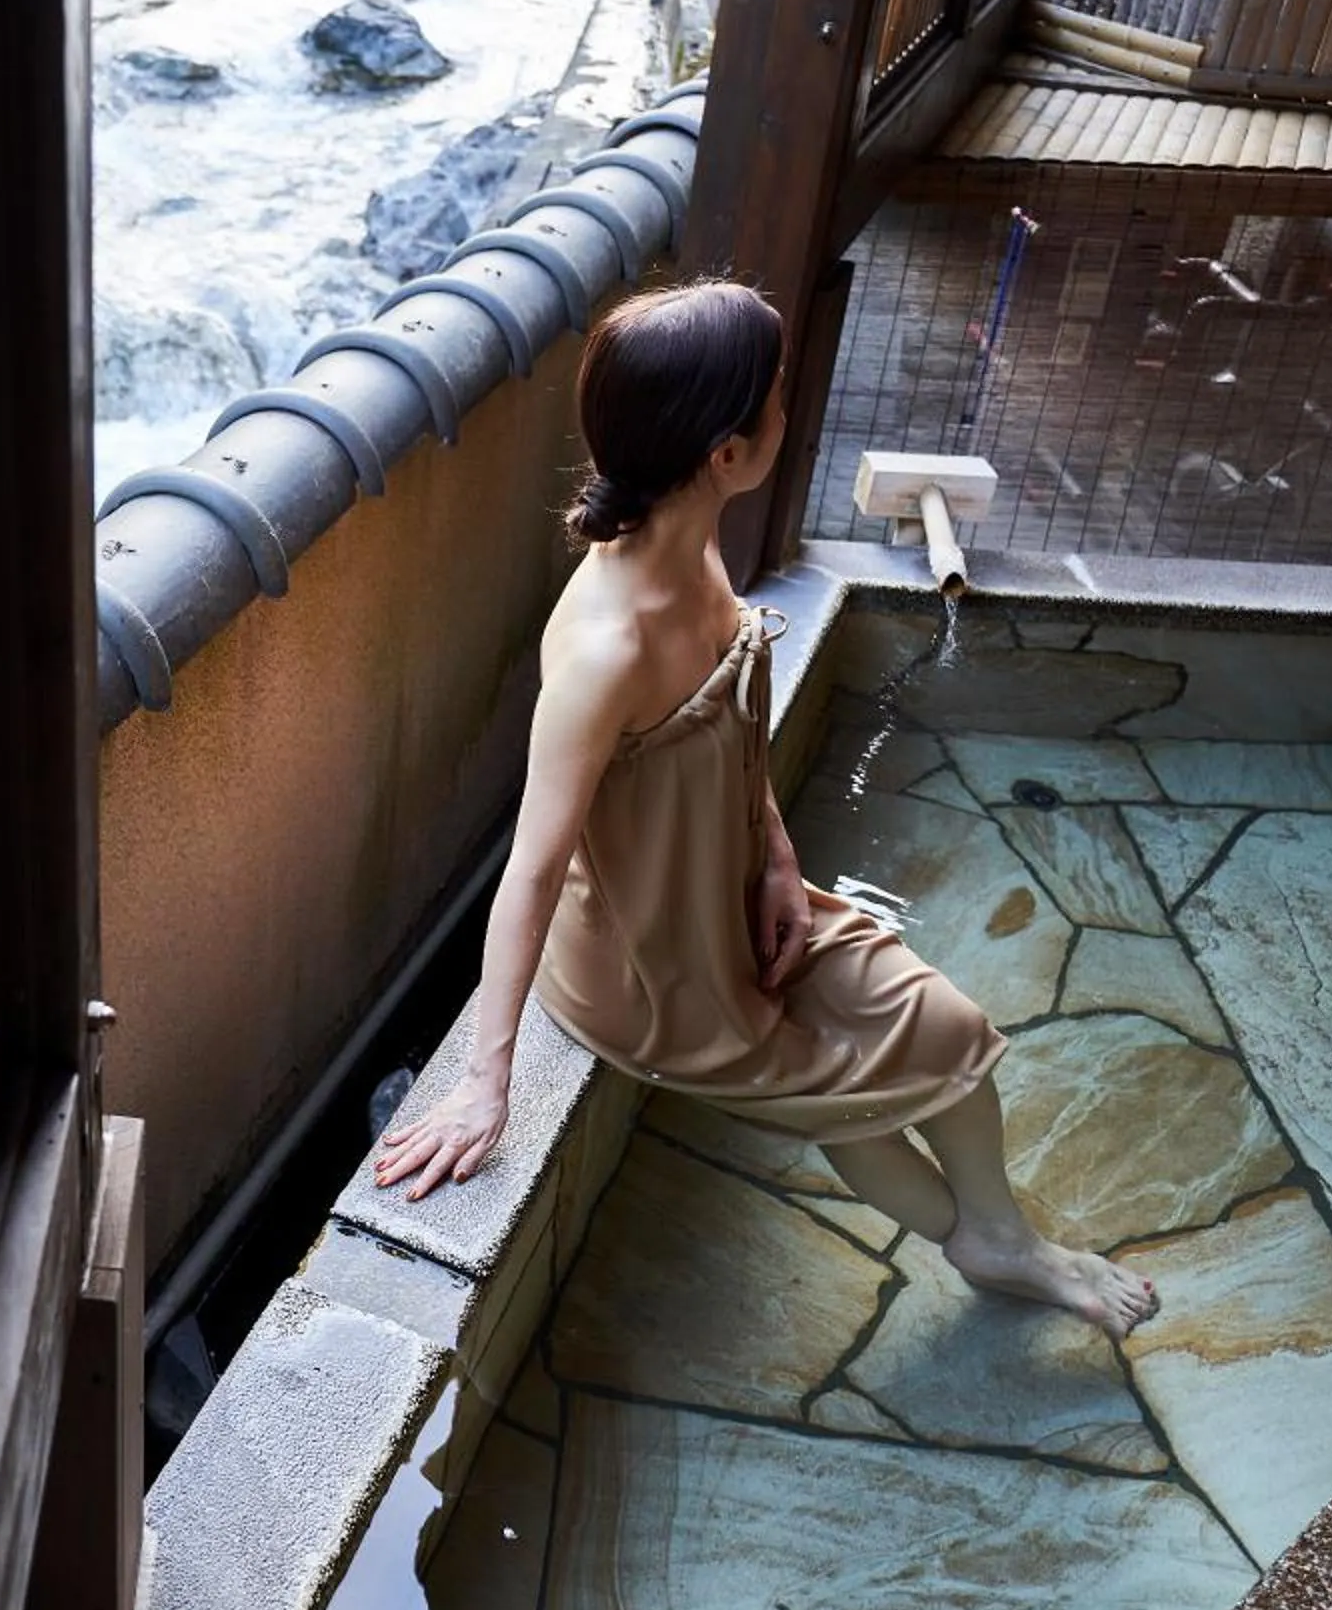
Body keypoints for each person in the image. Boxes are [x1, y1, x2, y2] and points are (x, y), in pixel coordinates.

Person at [371, 280, 1158, 1339]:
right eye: (778, 397)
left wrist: (778, 855)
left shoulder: (693, 541)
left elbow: (729, 737)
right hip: (654, 963)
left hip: (737, 886)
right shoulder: (610, 646)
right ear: (726, 452)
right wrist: (483, 1080)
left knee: (952, 1031)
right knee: (841, 1079)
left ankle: (997, 1231)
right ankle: (989, 1244)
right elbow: (535, 867)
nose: (792, 409)